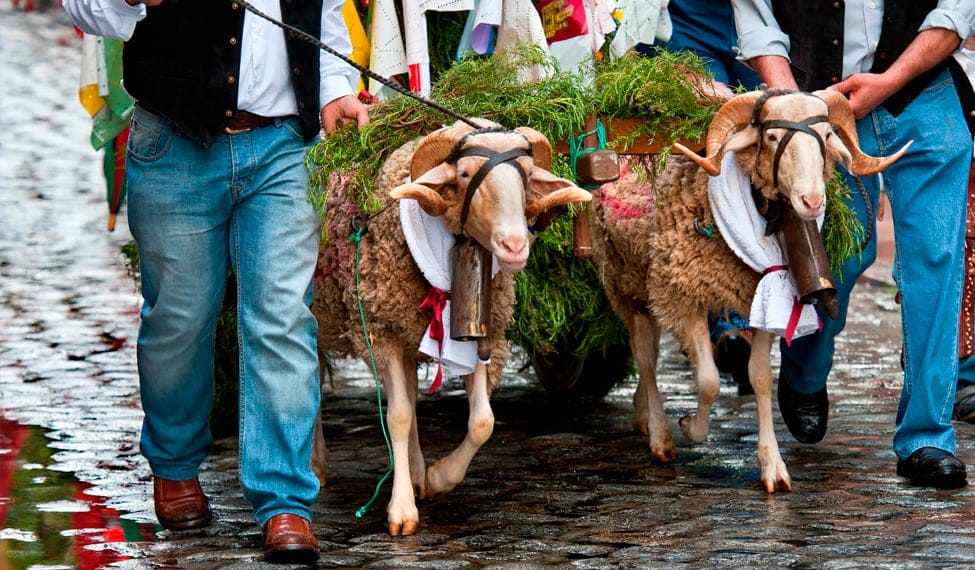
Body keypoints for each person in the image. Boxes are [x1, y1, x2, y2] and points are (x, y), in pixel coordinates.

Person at [62, 0, 368, 563]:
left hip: (284, 149)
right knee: (179, 319)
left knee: (281, 316)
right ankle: (175, 466)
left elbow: (324, 25)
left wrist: (334, 91)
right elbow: (82, 8)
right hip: (174, 141)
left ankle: (284, 503)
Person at [733, 0, 975, 488]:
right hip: (817, 99)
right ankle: (805, 369)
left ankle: (927, 437)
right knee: (844, 251)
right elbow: (759, 22)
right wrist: (796, 108)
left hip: (924, 92)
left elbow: (958, 8)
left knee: (937, 259)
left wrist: (892, 80)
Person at [638, 0, 762, 396]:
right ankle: (728, 322)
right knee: (715, 147)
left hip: (764, 39)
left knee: (770, 152)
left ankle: (752, 315)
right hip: (685, 33)